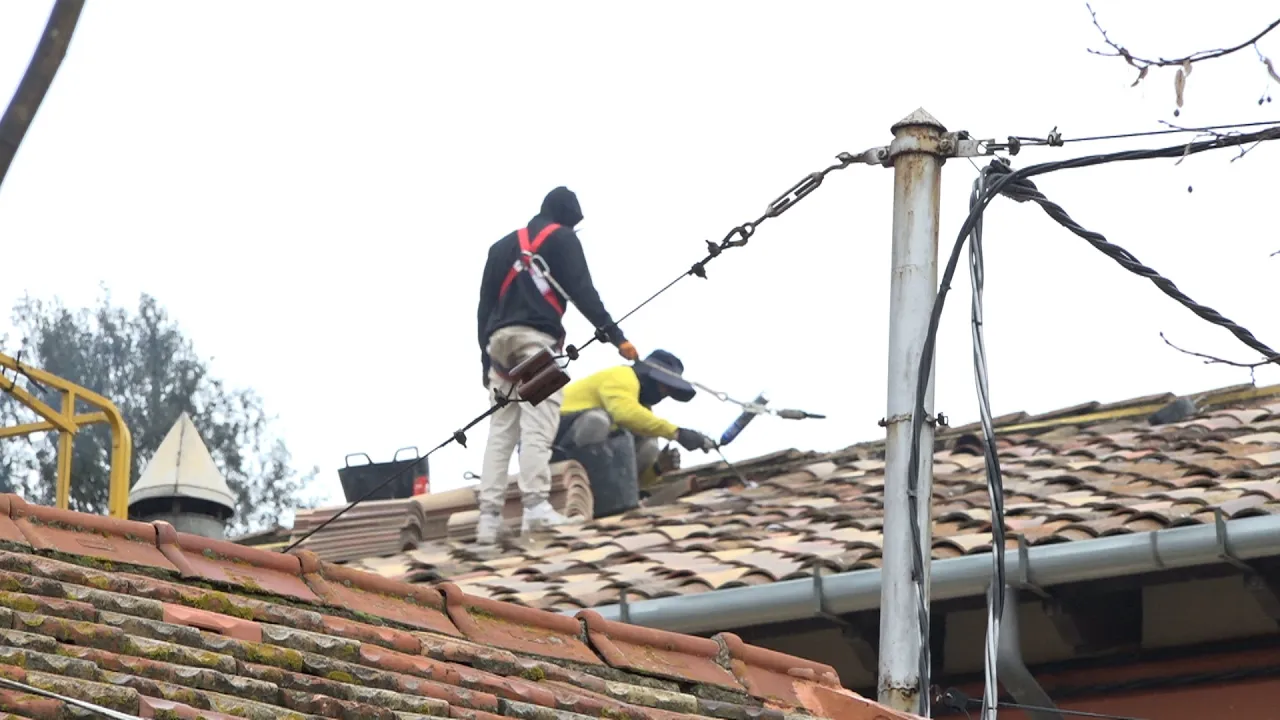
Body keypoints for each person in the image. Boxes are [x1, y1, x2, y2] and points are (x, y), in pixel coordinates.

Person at [474, 186, 639, 547]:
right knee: (538, 421)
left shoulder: (501, 247)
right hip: (535, 341)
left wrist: (484, 361)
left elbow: (484, 309)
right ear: (568, 218)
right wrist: (617, 338)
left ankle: (488, 520)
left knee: (501, 431)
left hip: (499, 346)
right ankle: (535, 508)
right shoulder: (562, 239)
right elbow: (583, 291)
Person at [555, 350, 717, 512]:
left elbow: (630, 473)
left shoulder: (643, 408)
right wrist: (677, 433)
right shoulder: (622, 375)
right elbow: (624, 413)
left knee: (650, 443)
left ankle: (608, 500)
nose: (664, 393)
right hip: (559, 437)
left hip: (595, 466)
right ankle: (570, 477)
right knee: (597, 421)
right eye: (664, 386)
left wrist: (657, 468)